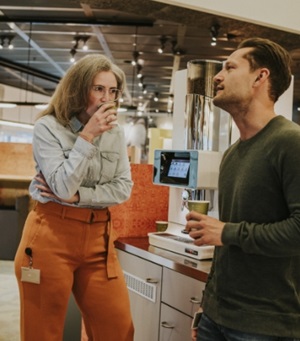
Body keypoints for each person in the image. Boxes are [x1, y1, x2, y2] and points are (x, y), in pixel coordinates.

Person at [186, 38, 300, 341]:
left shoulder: (291, 142)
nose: (217, 77)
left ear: (260, 78)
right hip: (216, 316)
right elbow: (224, 248)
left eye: (229, 67)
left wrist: (226, 232)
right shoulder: (232, 154)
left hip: (266, 326)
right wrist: (205, 305)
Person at [14, 54, 134, 341]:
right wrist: (87, 136)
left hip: (99, 237)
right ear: (79, 88)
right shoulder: (48, 127)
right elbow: (61, 187)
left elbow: (122, 188)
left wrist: (79, 196)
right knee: (42, 333)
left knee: (118, 329)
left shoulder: (115, 133)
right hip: (50, 235)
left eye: (113, 90)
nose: (107, 98)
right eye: (98, 88)